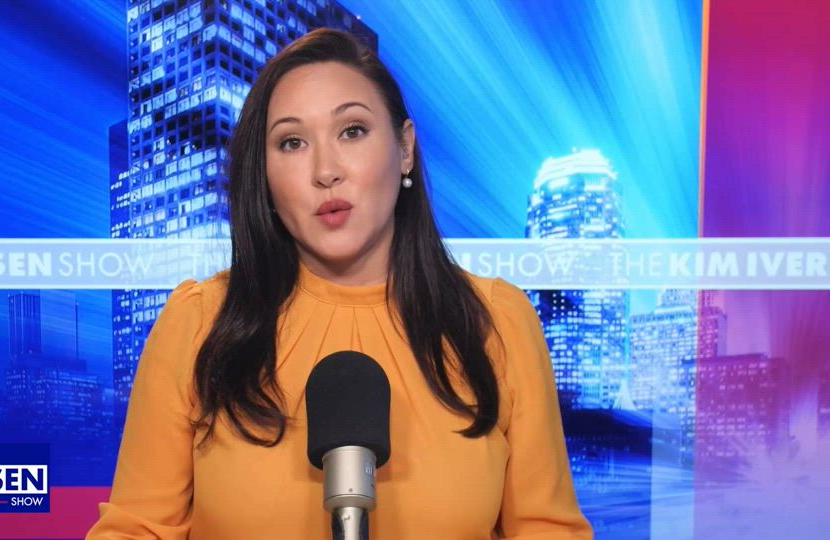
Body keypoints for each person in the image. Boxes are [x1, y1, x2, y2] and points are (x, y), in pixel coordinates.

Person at [86, 28, 592, 539]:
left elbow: (548, 530)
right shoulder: (200, 323)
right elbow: (134, 530)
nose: (325, 171)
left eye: (352, 131)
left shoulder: (495, 321)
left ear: (405, 148)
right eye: (292, 142)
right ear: (264, 175)